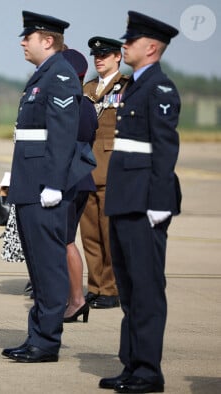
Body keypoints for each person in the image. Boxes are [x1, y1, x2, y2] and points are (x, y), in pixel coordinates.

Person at [1, 11, 91, 363]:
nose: (23, 42)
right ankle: (37, 335)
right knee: (38, 266)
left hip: (44, 188)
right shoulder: (44, 75)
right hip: (30, 183)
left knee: (49, 265)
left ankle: (46, 342)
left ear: (48, 40)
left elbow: (63, 136)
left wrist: (54, 184)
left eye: (29, 36)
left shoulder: (62, 76)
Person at [99, 11, 181, 393]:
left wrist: (161, 201)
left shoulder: (160, 89)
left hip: (146, 202)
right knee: (129, 291)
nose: (123, 46)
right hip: (125, 199)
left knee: (146, 289)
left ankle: (149, 371)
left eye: (129, 42)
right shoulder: (134, 86)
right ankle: (132, 364)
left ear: (151, 47)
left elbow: (165, 149)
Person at [80, 36, 130, 310]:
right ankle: (95, 286)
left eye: (105, 55)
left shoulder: (127, 86)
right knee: (89, 234)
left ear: (118, 57)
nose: (99, 59)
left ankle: (110, 289)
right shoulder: (86, 87)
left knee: (110, 233)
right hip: (86, 170)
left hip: (112, 170)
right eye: (96, 55)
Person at [60, 48, 98, 323]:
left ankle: (75, 299)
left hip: (65, 181)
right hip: (83, 178)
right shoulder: (87, 105)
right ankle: (73, 299)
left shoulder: (68, 102)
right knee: (67, 241)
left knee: (64, 242)